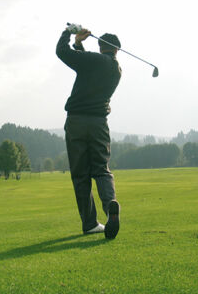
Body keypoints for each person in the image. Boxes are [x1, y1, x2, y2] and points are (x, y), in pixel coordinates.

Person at [56, 24, 121, 239]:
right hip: (99, 124)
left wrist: (70, 34)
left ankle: (90, 223)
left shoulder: (93, 60)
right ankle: (110, 203)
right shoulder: (116, 70)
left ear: (100, 46)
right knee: (101, 169)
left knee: (81, 175)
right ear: (116, 51)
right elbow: (88, 67)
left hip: (76, 122)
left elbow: (62, 52)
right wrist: (79, 45)